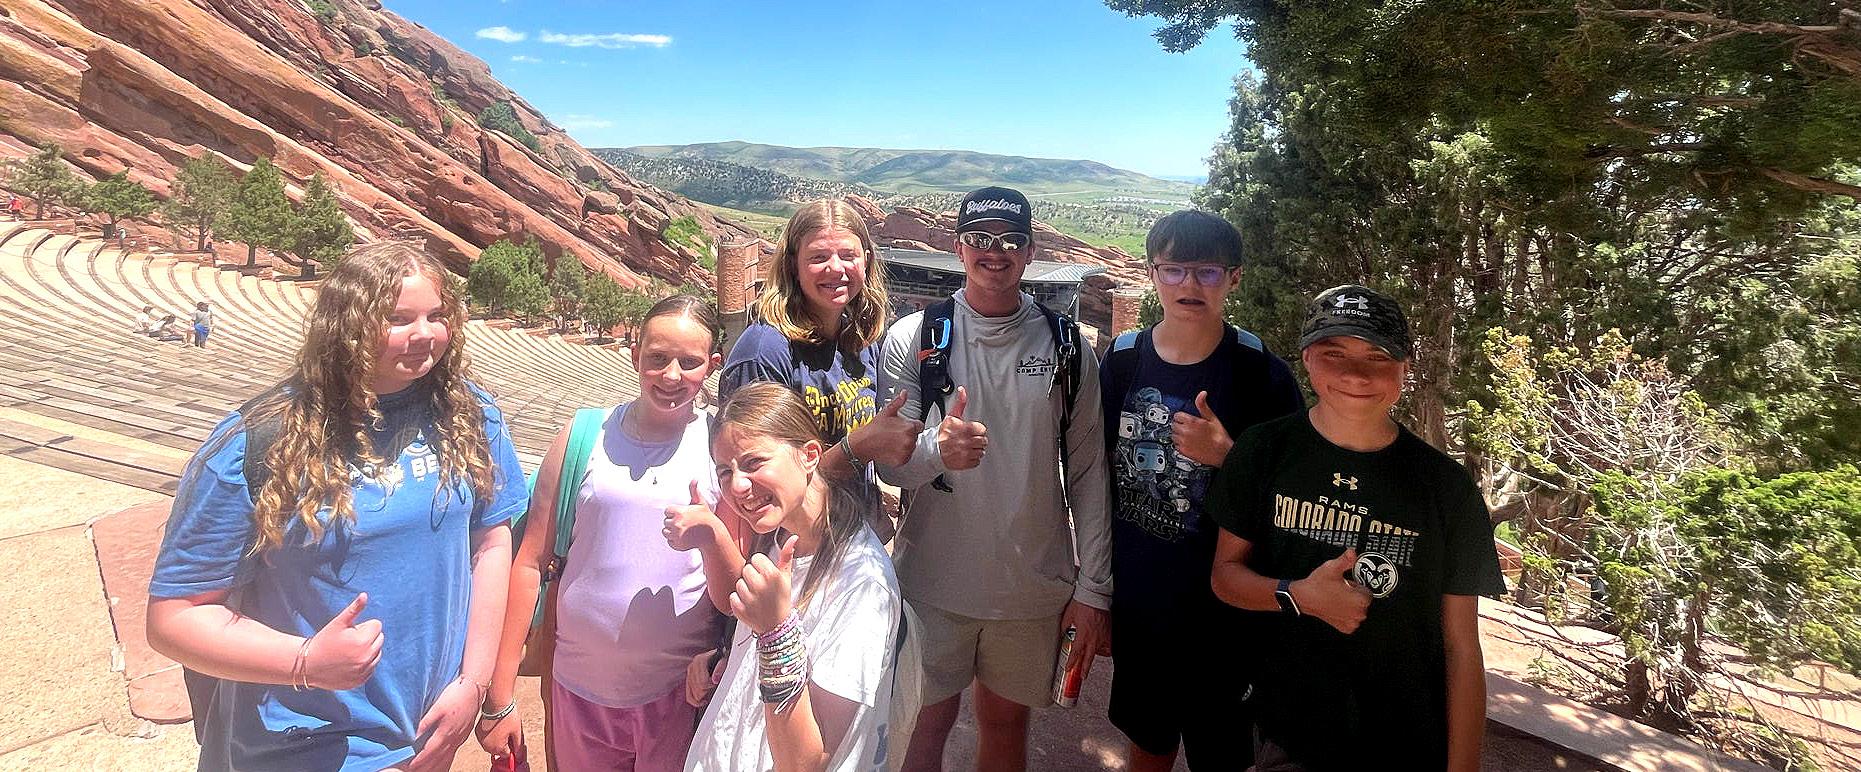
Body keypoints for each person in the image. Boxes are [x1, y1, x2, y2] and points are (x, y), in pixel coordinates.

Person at [145, 241, 527, 771]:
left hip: (427, 728)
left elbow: (491, 542)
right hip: (302, 743)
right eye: (398, 319)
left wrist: (473, 684)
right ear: (347, 326)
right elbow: (174, 618)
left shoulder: (469, 414)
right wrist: (305, 662)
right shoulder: (260, 441)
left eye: (437, 315)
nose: (424, 334)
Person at [1204, 285, 1505, 772]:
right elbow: (1225, 576)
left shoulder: (1447, 489)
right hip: (1290, 732)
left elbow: (1462, 648)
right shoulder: (1262, 452)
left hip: (1406, 742)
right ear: (1307, 358)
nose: (1356, 374)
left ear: (1405, 367)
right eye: (1334, 352)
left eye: (1378, 357)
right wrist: (1298, 595)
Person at [878, 186, 1111, 772]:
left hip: (1029, 588)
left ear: (1030, 251)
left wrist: (1094, 590)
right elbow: (891, 465)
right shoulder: (913, 339)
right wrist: (936, 450)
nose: (995, 251)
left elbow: (1088, 471)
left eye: (1010, 240)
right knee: (921, 727)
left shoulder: (1067, 347)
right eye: (980, 238)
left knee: (1006, 728)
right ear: (959, 247)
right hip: (932, 583)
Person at [477, 295, 740, 771]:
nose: (671, 375)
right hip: (578, 692)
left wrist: (713, 537)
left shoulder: (720, 449)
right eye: (657, 358)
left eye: (689, 362)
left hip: (679, 697)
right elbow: (531, 562)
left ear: (713, 365)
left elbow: (729, 596)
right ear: (635, 355)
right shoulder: (584, 435)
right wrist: (500, 696)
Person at [1098, 211, 1303, 771]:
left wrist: (1229, 457)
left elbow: (1295, 498)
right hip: (1143, 601)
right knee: (1149, 742)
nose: (1189, 284)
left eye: (1207, 271)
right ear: (1152, 273)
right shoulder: (1122, 360)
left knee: (1223, 753)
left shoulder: (1260, 374)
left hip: (1229, 615)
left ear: (1234, 278)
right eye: (1174, 269)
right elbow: (1095, 472)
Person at [683, 381, 906, 772]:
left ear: (809, 455)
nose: (737, 485)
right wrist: (730, 657)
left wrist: (775, 635)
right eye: (725, 471)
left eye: (754, 463)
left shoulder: (862, 583)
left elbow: (806, 761)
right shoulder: (778, 535)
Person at [718, 199, 921, 536]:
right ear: (793, 265)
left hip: (850, 537)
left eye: (848, 255)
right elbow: (754, 482)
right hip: (794, 547)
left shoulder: (860, 339)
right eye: (818, 257)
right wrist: (858, 448)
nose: (835, 268)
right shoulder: (764, 353)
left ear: (866, 261)